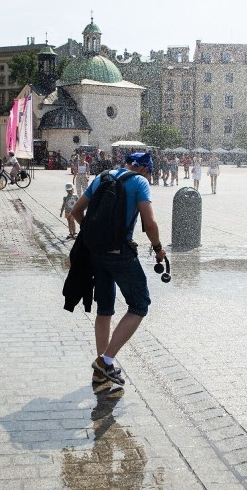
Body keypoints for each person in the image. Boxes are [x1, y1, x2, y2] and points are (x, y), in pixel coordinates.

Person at [70, 152, 166, 386]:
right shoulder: (139, 182)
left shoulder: (103, 176)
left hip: (96, 253)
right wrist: (158, 249)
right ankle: (106, 360)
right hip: (119, 252)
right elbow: (150, 223)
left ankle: (103, 367)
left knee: (105, 309)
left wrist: (94, 235)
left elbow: (75, 211)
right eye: (151, 173)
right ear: (144, 169)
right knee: (140, 304)